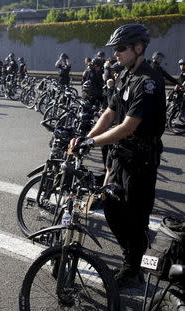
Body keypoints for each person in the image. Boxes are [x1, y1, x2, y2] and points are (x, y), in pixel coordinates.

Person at [71, 24, 166, 289]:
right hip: (120, 156)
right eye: (114, 49)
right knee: (110, 206)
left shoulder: (149, 81)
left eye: (121, 48)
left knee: (136, 217)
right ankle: (133, 256)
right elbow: (110, 114)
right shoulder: (124, 75)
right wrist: (85, 137)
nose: (116, 54)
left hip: (141, 161)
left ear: (139, 48)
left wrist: (90, 142)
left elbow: (127, 127)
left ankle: (133, 269)